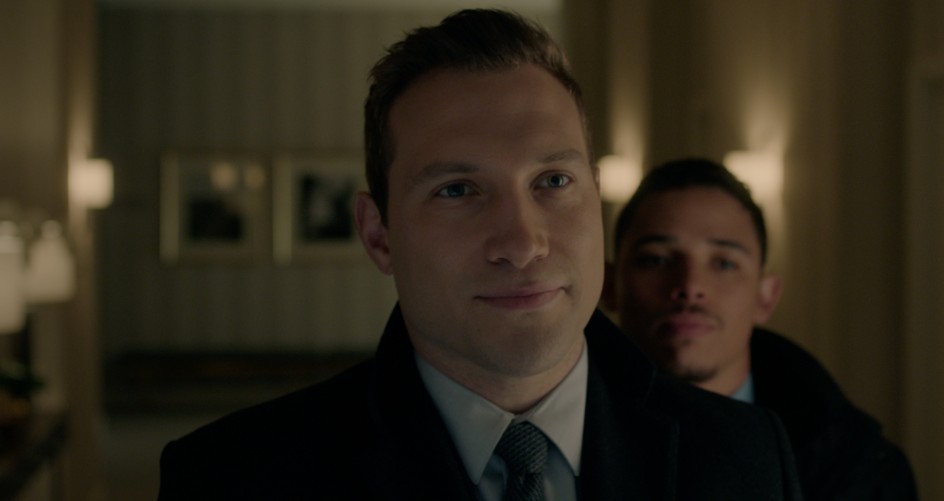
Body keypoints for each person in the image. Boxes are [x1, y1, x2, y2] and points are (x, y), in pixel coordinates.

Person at [158, 10, 802, 500]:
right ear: (379, 235)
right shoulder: (232, 478)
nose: (523, 243)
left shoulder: (746, 458)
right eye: (457, 190)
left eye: (553, 180)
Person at [604, 158, 919, 501]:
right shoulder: (564, 441)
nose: (691, 286)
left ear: (765, 297)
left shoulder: (860, 468)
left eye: (724, 263)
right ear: (608, 285)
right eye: (656, 259)